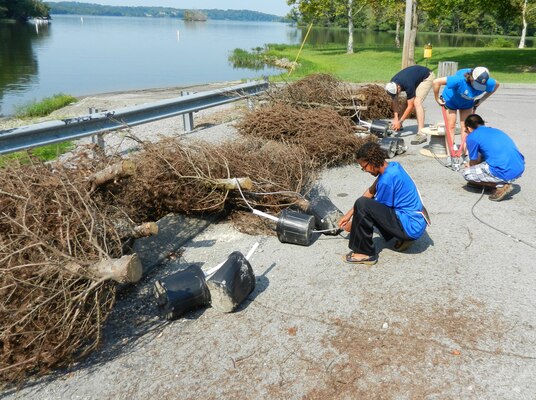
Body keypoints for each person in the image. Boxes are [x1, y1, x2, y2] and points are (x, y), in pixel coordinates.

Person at [338, 141, 429, 265]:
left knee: (362, 205)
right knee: (364, 203)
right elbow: (371, 191)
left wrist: (353, 225)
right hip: (416, 220)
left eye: (364, 167)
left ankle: (365, 253)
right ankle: (403, 238)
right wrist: (349, 214)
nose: (364, 170)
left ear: (372, 161)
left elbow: (369, 210)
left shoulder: (387, 180)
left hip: (411, 227)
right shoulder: (392, 167)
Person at [432, 66, 500, 161]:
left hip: (467, 103)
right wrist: (437, 98)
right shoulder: (459, 80)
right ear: (471, 78)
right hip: (451, 100)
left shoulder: (487, 82)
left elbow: (496, 85)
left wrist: (481, 100)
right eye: (476, 83)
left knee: (466, 127)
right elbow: (436, 82)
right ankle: (450, 155)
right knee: (451, 126)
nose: (478, 87)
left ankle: (466, 154)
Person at [462, 114, 525, 202]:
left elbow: (474, 161)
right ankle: (496, 181)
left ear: (468, 128)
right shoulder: (496, 131)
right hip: (519, 167)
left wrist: (468, 165)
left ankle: (500, 186)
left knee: (467, 173)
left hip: (503, 170)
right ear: (482, 123)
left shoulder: (472, 137)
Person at [385, 64, 435, 145]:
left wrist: (400, 121)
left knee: (416, 102)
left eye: (396, 93)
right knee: (407, 101)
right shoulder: (393, 83)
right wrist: (396, 118)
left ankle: (421, 133)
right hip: (415, 77)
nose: (396, 95)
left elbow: (410, 106)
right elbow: (395, 101)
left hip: (427, 77)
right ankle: (399, 125)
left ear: (398, 88)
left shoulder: (407, 84)